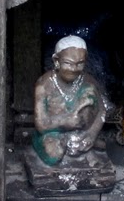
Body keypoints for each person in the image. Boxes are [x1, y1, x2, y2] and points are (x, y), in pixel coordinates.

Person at [31, 37, 111, 167]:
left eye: (80, 63)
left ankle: (82, 147)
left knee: (89, 93)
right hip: (53, 133)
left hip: (82, 132)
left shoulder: (88, 81)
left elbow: (102, 110)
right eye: (68, 63)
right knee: (54, 153)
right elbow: (40, 124)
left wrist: (92, 134)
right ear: (56, 61)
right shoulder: (44, 84)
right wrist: (66, 121)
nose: (74, 69)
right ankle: (75, 148)